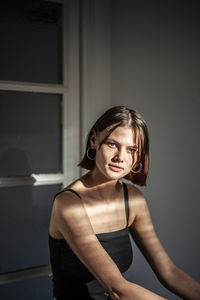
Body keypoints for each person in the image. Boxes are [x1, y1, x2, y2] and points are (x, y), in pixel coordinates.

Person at [49, 106, 200, 300]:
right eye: (112, 144)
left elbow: (169, 272)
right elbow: (117, 289)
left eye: (131, 149)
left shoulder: (133, 198)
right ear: (94, 140)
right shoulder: (69, 204)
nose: (120, 158)